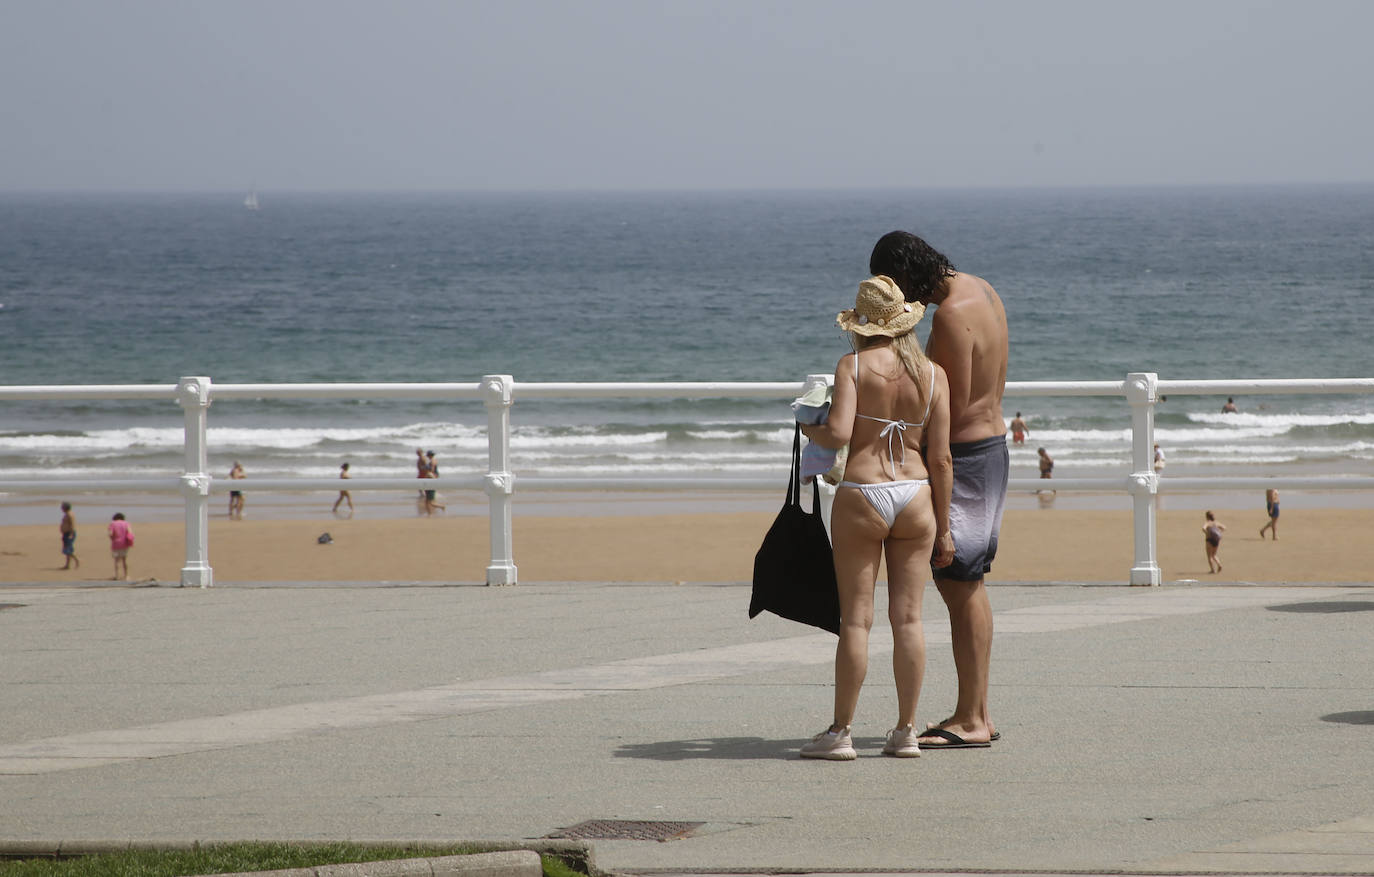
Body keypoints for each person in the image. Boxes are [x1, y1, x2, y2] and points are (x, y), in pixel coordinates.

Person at [798, 275, 953, 760]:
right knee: (908, 619)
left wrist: (808, 425)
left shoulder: (853, 365)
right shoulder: (934, 375)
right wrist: (944, 528)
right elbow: (942, 458)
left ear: (863, 324)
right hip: (915, 494)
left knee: (857, 622)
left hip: (863, 492)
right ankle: (906, 731)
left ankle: (841, 732)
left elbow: (839, 433)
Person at [870, 230, 1007, 749]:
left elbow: (950, 403)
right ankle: (978, 712)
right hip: (993, 449)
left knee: (959, 583)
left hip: (967, 460)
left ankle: (971, 718)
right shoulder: (980, 288)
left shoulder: (949, 315)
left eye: (896, 287)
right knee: (970, 584)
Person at [108, 512, 134, 581]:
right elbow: (130, 532)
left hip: (116, 544)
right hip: (124, 543)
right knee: (124, 560)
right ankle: (126, 575)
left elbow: (110, 534)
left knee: (116, 561)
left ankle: (117, 575)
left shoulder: (112, 524)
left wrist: (113, 539)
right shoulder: (126, 523)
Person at [422, 449, 446, 515]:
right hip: (432, 481)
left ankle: (430, 514)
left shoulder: (432, 462)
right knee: (428, 501)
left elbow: (431, 471)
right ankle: (430, 514)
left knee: (429, 502)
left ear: (429, 455)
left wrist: (427, 473)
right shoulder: (434, 461)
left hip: (431, 481)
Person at [59, 502, 79, 570]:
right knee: (66, 550)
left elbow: (72, 524)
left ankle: (77, 560)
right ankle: (67, 565)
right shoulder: (66, 514)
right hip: (65, 533)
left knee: (67, 550)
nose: (61, 508)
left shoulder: (70, 514)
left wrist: (71, 534)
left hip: (69, 533)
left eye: (62, 507)